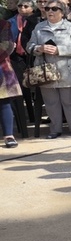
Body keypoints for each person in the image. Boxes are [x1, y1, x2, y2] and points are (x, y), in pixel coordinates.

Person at [27, 0, 71, 138]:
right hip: (45, 70)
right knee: (51, 102)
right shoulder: (39, 27)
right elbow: (29, 45)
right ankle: (55, 129)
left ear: (62, 12)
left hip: (68, 70)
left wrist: (59, 50)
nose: (50, 12)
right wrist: (38, 48)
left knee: (70, 101)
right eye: (47, 9)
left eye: (54, 9)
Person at [0, 18, 23, 147]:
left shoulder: (3, 24)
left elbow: (7, 45)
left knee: (4, 102)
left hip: (1, 68)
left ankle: (9, 135)